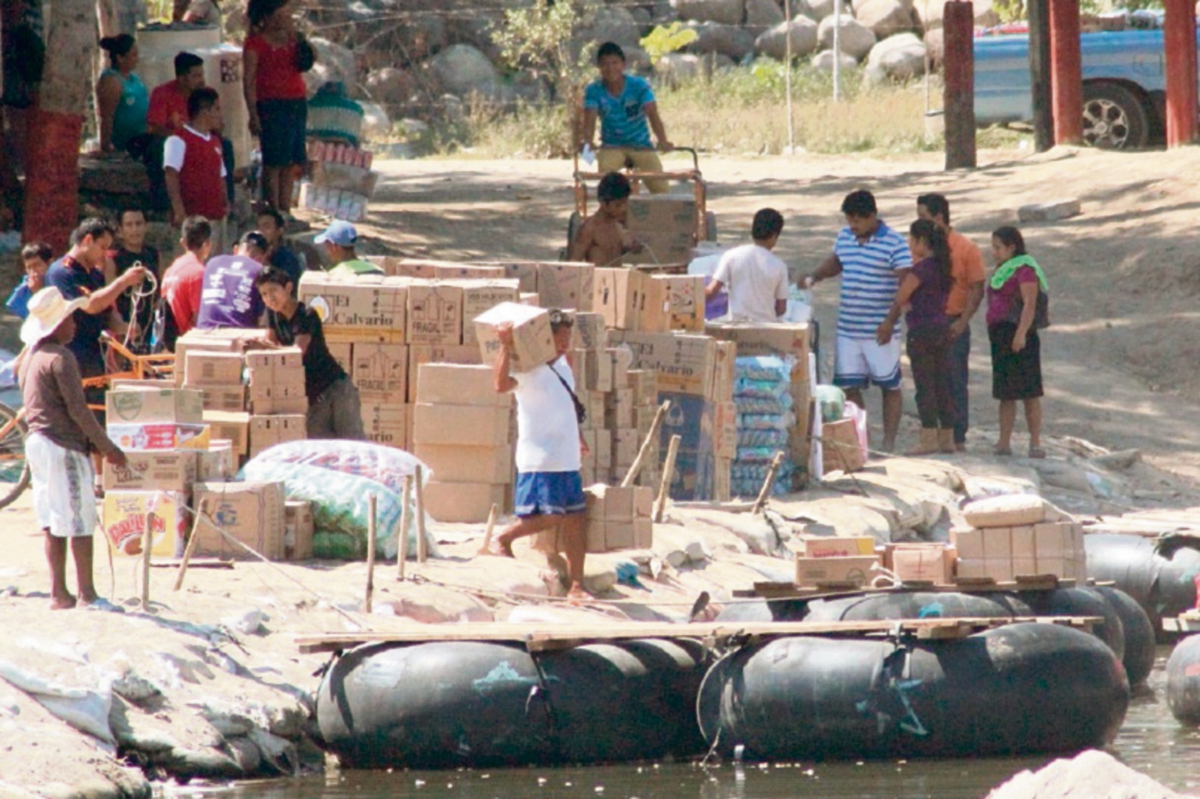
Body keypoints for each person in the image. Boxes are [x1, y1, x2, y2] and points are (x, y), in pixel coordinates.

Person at [18, 286, 128, 610]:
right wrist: (107, 448)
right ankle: (87, 594)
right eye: (69, 319)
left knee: (52, 519)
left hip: (37, 443)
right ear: (56, 326)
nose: (75, 325)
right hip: (61, 444)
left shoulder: (32, 359)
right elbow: (79, 411)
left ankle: (58, 593)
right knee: (80, 520)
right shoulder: (62, 358)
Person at [488, 310, 588, 600]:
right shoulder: (527, 367)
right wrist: (506, 346)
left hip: (567, 457)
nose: (564, 343)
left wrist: (578, 436)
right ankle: (504, 537)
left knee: (575, 518)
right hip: (541, 456)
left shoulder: (565, 367)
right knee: (550, 516)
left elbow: (565, 405)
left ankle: (578, 586)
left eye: (568, 337)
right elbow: (499, 385)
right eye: (559, 337)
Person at [804, 189, 912, 453]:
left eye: (858, 221)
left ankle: (889, 441)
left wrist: (890, 321)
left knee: (889, 385)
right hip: (848, 328)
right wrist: (815, 276)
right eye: (849, 221)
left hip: (879, 329)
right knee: (849, 386)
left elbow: (905, 284)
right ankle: (861, 437)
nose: (852, 227)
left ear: (872, 216)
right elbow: (837, 262)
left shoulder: (895, 243)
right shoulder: (845, 237)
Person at [254, 265, 365, 439]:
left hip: (335, 388)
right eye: (264, 294)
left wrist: (265, 348)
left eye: (273, 290)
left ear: (289, 288)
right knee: (320, 451)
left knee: (352, 445)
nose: (269, 298)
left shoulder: (307, 315)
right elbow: (270, 346)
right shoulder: (272, 315)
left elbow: (297, 353)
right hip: (311, 397)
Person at [877, 219, 955, 455]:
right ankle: (947, 438)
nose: (910, 245)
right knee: (943, 383)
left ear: (921, 241)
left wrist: (903, 308)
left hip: (921, 331)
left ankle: (928, 436)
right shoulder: (944, 267)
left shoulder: (920, 269)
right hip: (942, 327)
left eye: (912, 240)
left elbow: (901, 295)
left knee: (925, 385)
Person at [917, 193, 985, 452]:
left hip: (952, 321)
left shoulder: (966, 248)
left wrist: (963, 320)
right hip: (925, 322)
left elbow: (977, 287)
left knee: (954, 379)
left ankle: (957, 436)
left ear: (938, 217)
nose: (919, 221)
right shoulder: (920, 248)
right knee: (926, 380)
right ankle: (931, 435)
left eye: (923, 216)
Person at [45, 218, 149, 385]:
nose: (105, 254)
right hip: (69, 354)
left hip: (94, 356)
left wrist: (125, 328)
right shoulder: (62, 272)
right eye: (102, 247)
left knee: (98, 407)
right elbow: (90, 305)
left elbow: (106, 313)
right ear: (87, 240)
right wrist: (123, 282)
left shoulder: (95, 275)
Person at [244, 0, 311, 218]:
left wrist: (298, 38)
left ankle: (286, 207)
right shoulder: (255, 43)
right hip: (271, 105)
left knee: (292, 160)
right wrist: (253, 114)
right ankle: (272, 208)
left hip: (296, 102)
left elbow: (307, 61)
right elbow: (249, 80)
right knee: (274, 160)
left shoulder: (293, 39)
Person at [987, 226, 1048, 459]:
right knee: (1005, 393)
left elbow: (1029, 303)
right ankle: (1003, 442)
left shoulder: (1024, 270)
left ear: (1012, 247)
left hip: (1021, 335)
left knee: (1030, 392)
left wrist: (1021, 334)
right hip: (1001, 335)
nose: (994, 252)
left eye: (998, 247)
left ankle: (1035, 442)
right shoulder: (1003, 269)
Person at [580, 42, 673, 194]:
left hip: (640, 144)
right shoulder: (594, 90)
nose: (610, 69)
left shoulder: (639, 85)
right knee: (607, 185)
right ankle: (612, 212)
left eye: (614, 63)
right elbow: (590, 117)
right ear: (599, 67)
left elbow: (652, 112)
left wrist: (662, 140)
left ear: (623, 65)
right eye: (604, 64)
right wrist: (588, 141)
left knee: (660, 187)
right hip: (612, 145)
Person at [163, 87, 228, 244]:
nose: (220, 114)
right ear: (205, 111)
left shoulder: (215, 141)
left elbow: (221, 175)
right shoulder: (178, 140)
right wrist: (179, 211)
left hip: (215, 219)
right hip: (192, 223)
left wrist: (225, 203)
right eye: (217, 109)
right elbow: (171, 175)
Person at [705, 208, 789, 323]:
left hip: (737, 327)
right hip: (767, 329)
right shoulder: (779, 266)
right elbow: (781, 308)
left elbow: (711, 291)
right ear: (774, 236)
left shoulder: (731, 256)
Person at [196, 230, 268, 329]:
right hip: (238, 336)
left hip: (203, 331)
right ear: (262, 258)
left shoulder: (212, 263)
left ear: (236, 249)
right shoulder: (259, 270)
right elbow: (263, 320)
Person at [567, 172, 640, 266]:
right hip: (597, 278)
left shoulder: (619, 225)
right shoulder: (590, 228)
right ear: (604, 203)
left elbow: (616, 252)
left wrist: (632, 247)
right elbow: (573, 263)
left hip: (617, 277)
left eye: (625, 203)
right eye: (618, 205)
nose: (623, 209)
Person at [108, 208, 160, 340]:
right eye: (129, 225)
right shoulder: (113, 258)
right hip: (124, 327)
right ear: (120, 230)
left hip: (148, 325)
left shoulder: (152, 254)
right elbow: (109, 297)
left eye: (139, 224)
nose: (135, 230)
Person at [95, 34, 148, 155]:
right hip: (127, 144)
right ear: (120, 58)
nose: (137, 59)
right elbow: (107, 117)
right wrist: (106, 146)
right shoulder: (111, 81)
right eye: (134, 55)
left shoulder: (134, 79)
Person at [161, 215, 213, 339]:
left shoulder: (170, 271)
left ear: (183, 243)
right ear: (208, 244)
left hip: (169, 345)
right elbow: (200, 318)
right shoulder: (199, 273)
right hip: (189, 344)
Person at [256, 205, 304, 285]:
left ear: (280, 231)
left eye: (266, 227)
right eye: (258, 227)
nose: (261, 231)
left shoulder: (287, 258)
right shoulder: (251, 254)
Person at [314, 221, 383, 275]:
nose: (327, 252)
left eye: (326, 245)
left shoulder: (334, 277)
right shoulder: (378, 271)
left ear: (334, 247)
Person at [6, 241, 51, 319]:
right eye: (29, 268)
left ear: (50, 263)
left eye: (37, 265)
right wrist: (35, 292)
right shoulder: (25, 289)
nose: (33, 271)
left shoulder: (58, 281)